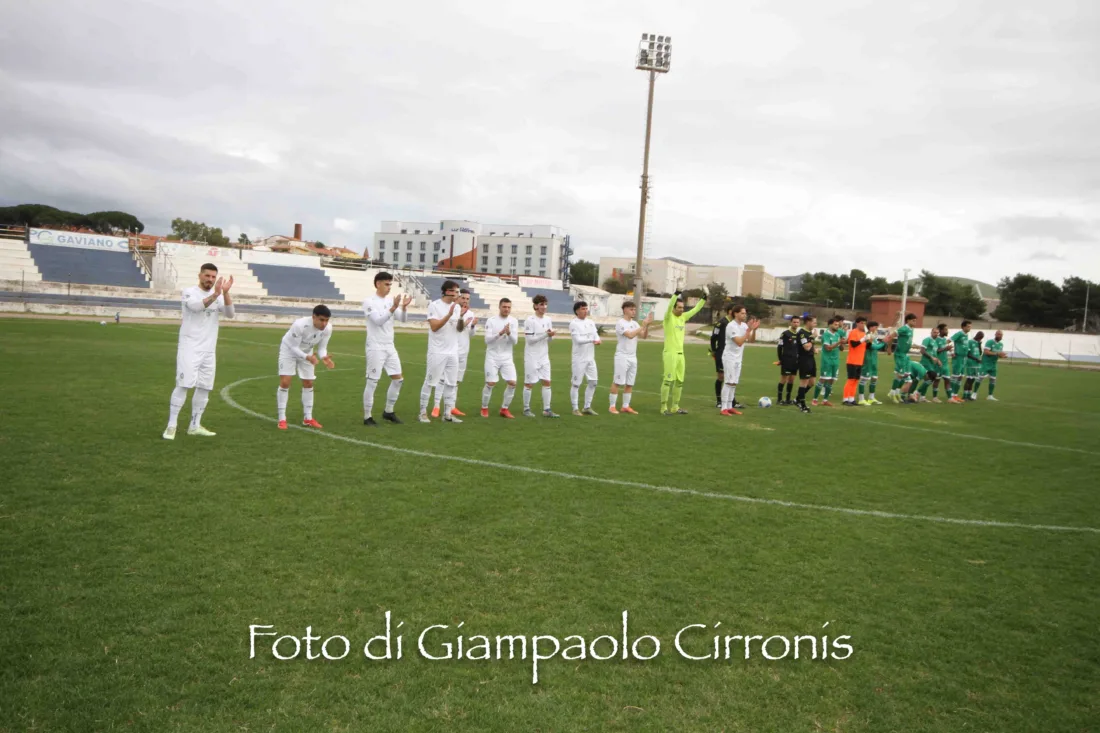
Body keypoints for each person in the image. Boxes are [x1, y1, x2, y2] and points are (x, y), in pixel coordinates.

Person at [163, 264, 234, 440]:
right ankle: (171, 426)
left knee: (204, 387)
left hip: (209, 350)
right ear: (200, 275)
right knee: (184, 385)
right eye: (207, 276)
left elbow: (230, 314)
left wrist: (225, 293)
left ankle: (194, 426)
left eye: (213, 277)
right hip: (190, 347)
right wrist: (216, 294)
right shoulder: (189, 292)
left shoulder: (219, 295)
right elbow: (195, 307)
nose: (210, 279)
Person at [363, 271, 412, 426]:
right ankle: (367, 417)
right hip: (375, 346)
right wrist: (393, 308)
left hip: (389, 346)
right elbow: (378, 321)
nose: (389, 287)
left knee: (398, 379)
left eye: (390, 284)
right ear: (378, 284)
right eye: (387, 284)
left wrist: (403, 307)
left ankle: (388, 411)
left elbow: (403, 320)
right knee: (372, 382)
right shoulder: (369, 301)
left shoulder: (390, 301)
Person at [277, 305, 335, 430]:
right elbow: (293, 347)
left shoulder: (328, 328)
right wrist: (307, 357)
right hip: (289, 350)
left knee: (308, 383)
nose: (324, 323)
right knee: (285, 382)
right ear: (314, 317)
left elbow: (322, 348)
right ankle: (282, 419)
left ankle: (308, 418)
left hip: (308, 353)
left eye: (327, 320)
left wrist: (324, 357)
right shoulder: (300, 325)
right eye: (321, 320)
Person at [419, 280, 464, 423]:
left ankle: (447, 414)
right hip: (437, 351)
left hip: (453, 352)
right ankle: (422, 413)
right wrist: (449, 315)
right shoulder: (435, 305)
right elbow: (434, 327)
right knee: (430, 382)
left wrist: (461, 316)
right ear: (447, 291)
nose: (458, 294)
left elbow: (459, 329)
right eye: (455, 291)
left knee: (451, 383)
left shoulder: (457, 307)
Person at [659, 290, 707, 415]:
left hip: (681, 354)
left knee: (679, 381)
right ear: (674, 308)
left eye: (682, 308)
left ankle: (675, 407)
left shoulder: (683, 317)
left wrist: (704, 298)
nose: (682, 310)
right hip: (670, 353)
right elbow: (669, 305)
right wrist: (676, 294)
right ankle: (663, 408)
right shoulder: (668, 317)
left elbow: (696, 309)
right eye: (679, 307)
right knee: (668, 381)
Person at [434, 288, 477, 417]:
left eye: (467, 299)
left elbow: (471, 334)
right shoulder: (452, 312)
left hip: (464, 351)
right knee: (442, 379)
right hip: (451, 350)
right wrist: (462, 321)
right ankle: (436, 406)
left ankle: (452, 406)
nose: (465, 301)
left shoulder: (471, 314)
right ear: (458, 298)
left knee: (456, 381)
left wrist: (472, 326)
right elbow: (456, 329)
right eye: (463, 298)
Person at [610, 301, 653, 414]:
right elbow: (630, 335)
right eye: (631, 309)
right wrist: (642, 326)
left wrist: (647, 326)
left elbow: (643, 336)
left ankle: (625, 406)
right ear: (625, 310)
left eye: (634, 309)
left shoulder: (634, 324)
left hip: (633, 356)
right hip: (622, 356)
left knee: (630, 383)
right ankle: (612, 406)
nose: (634, 312)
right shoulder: (620, 323)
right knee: (617, 381)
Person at [482, 297, 519, 418]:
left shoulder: (513, 321)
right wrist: (500, 333)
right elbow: (487, 340)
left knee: (512, 383)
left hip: (507, 357)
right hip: (492, 356)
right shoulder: (491, 321)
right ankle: (484, 407)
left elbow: (515, 342)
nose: (506, 309)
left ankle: (504, 409)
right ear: (499, 307)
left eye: (509, 307)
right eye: (504, 307)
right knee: (490, 383)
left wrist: (509, 333)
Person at [720, 304, 759, 416]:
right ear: (735, 313)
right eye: (742, 313)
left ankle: (730, 406)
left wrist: (753, 330)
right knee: (728, 382)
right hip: (729, 357)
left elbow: (751, 341)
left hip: (738, 358)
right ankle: (723, 408)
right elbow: (739, 342)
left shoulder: (744, 326)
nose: (744, 315)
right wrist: (749, 330)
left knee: (734, 383)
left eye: (745, 313)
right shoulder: (731, 326)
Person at [523, 294, 559, 418]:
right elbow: (530, 340)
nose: (544, 307)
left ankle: (547, 410)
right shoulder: (530, 320)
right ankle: (526, 409)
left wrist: (551, 336)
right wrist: (546, 335)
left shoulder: (548, 319)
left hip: (544, 356)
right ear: (535, 306)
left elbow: (549, 340)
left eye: (545, 304)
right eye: (541, 304)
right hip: (532, 356)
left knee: (547, 382)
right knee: (529, 383)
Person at [569, 301, 601, 415]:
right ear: (577, 311)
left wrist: (598, 339)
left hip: (590, 358)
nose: (585, 311)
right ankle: (575, 408)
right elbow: (578, 340)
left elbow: (596, 334)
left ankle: (587, 407)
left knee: (593, 382)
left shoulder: (590, 322)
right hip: (579, 359)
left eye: (586, 308)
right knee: (576, 384)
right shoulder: (574, 324)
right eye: (583, 309)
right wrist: (592, 340)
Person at [857, 321, 889, 405]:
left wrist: (884, 342)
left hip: (874, 360)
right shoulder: (867, 336)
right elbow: (873, 347)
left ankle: (871, 398)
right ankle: (861, 399)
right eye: (875, 327)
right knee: (864, 379)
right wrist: (883, 342)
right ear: (870, 327)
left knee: (874, 378)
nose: (876, 329)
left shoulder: (874, 336)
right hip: (867, 360)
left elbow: (878, 345)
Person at [889, 312, 918, 399]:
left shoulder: (911, 330)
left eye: (915, 321)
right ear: (908, 320)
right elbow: (891, 335)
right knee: (900, 374)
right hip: (900, 354)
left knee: (905, 374)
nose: (915, 322)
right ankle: (892, 393)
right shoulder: (904, 328)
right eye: (913, 320)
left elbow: (907, 342)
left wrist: (916, 346)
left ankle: (897, 392)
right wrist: (889, 348)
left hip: (905, 355)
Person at [814, 317, 841, 407]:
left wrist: (842, 343)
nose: (837, 326)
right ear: (830, 325)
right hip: (827, 360)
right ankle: (815, 399)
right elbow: (828, 348)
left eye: (838, 325)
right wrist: (838, 342)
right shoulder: (826, 334)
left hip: (835, 360)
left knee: (831, 380)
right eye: (835, 324)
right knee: (823, 379)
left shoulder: (837, 334)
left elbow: (840, 348)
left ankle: (825, 400)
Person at [775, 315, 802, 406]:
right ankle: (779, 399)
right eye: (794, 322)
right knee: (784, 379)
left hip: (795, 361)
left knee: (791, 380)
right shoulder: (785, 334)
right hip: (786, 360)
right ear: (791, 323)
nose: (796, 324)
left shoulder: (799, 335)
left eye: (797, 322)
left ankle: (788, 399)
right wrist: (781, 359)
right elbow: (779, 347)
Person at [842, 317, 869, 405]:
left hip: (860, 360)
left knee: (856, 380)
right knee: (851, 380)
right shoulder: (853, 332)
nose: (863, 325)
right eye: (861, 323)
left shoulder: (864, 333)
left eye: (864, 323)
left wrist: (869, 340)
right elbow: (853, 344)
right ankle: (845, 399)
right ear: (857, 323)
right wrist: (863, 339)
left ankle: (851, 398)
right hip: (852, 360)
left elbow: (867, 347)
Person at [794, 315, 817, 413]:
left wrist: (814, 349)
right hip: (804, 360)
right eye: (814, 322)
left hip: (811, 359)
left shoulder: (809, 333)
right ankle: (803, 405)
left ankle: (797, 399)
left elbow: (810, 347)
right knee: (804, 382)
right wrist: (812, 338)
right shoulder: (802, 333)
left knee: (812, 382)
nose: (815, 324)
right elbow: (806, 347)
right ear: (808, 322)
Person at [948, 320, 973, 404]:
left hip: (964, 358)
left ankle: (955, 395)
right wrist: (951, 352)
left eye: (970, 326)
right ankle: (950, 396)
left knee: (960, 377)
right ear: (963, 327)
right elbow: (948, 341)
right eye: (968, 326)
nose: (969, 328)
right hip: (958, 358)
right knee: (955, 376)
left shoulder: (966, 335)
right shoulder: (959, 334)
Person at [919, 326, 945, 403]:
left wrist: (938, 360)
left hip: (931, 363)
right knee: (930, 379)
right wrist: (931, 357)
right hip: (926, 362)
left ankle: (922, 397)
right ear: (931, 332)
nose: (936, 334)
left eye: (937, 333)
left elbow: (934, 353)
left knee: (928, 380)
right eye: (934, 332)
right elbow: (922, 351)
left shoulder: (935, 342)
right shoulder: (927, 340)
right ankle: (916, 393)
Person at [710, 309, 730, 408]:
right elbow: (713, 337)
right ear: (730, 311)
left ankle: (731, 401)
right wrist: (714, 351)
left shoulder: (734, 324)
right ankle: (719, 401)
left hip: (731, 354)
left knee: (730, 378)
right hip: (721, 353)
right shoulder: (721, 323)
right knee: (721, 377)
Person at [981, 330, 1007, 400]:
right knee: (980, 378)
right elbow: (986, 352)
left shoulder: (1001, 344)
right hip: (986, 363)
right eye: (999, 334)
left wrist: (1003, 356)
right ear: (995, 334)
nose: (1000, 336)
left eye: (1001, 335)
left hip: (993, 364)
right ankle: (974, 393)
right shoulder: (990, 342)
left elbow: (998, 354)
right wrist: (997, 353)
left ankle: (990, 395)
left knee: (993, 380)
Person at [964, 331, 985, 400]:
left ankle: (969, 395)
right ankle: (965, 395)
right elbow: (968, 354)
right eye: (980, 337)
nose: (980, 339)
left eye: (981, 338)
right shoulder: (970, 342)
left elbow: (980, 353)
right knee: (969, 379)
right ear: (977, 335)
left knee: (972, 380)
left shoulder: (978, 343)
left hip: (976, 364)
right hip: (970, 363)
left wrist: (979, 345)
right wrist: (976, 359)